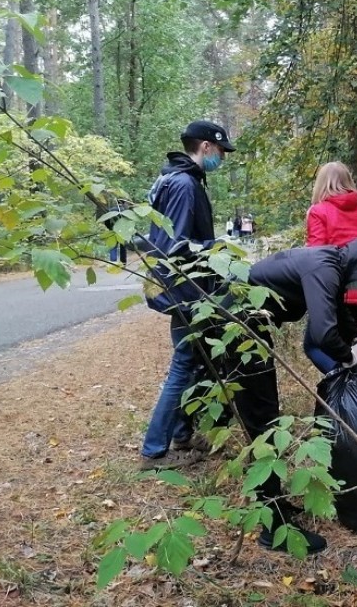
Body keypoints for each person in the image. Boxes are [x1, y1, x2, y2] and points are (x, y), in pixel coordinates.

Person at [229, 234, 357, 554]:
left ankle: (273, 502)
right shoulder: (324, 267)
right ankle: (272, 528)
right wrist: (348, 357)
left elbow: (335, 311)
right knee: (261, 422)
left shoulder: (331, 264)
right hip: (235, 326)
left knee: (267, 418)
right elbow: (322, 332)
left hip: (249, 326)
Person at [140, 119, 235, 472]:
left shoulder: (175, 179)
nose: (222, 158)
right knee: (183, 367)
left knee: (193, 361)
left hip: (185, 288)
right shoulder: (182, 184)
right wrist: (219, 247)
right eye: (221, 151)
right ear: (206, 147)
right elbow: (175, 245)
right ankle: (153, 451)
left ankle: (181, 435)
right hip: (184, 290)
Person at [303, 162, 357, 372]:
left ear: (321, 184)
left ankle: (346, 384)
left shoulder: (318, 212)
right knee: (346, 341)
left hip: (334, 290)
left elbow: (316, 256)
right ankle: (354, 389)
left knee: (314, 345)